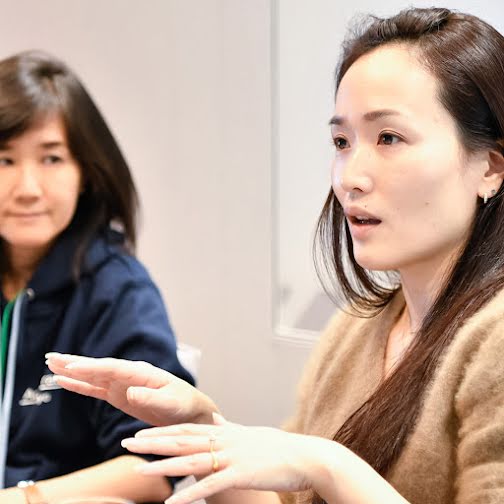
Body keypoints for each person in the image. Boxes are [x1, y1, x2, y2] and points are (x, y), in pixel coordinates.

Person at [47, 6, 504, 504]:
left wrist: (327, 464)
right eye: (341, 141)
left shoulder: (494, 337)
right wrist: (203, 428)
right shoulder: (358, 327)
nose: (349, 176)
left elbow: (319, 469)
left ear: (490, 167)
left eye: (388, 138)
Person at [0, 50, 195, 504]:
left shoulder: (117, 290)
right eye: (5, 161)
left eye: (51, 159)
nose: (27, 189)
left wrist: (21, 499)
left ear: (85, 171)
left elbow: (155, 464)